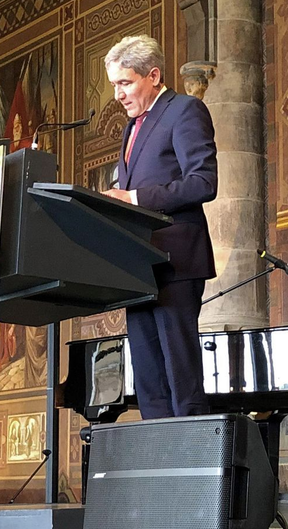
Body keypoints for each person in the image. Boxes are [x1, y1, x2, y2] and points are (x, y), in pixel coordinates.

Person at [99, 35, 217, 419]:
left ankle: (191, 455)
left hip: (174, 262)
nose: (118, 95)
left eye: (125, 83)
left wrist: (133, 198)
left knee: (181, 377)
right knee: (149, 380)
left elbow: (203, 183)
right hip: (138, 266)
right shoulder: (131, 128)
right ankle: (160, 454)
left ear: (153, 75)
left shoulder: (184, 110)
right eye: (114, 85)